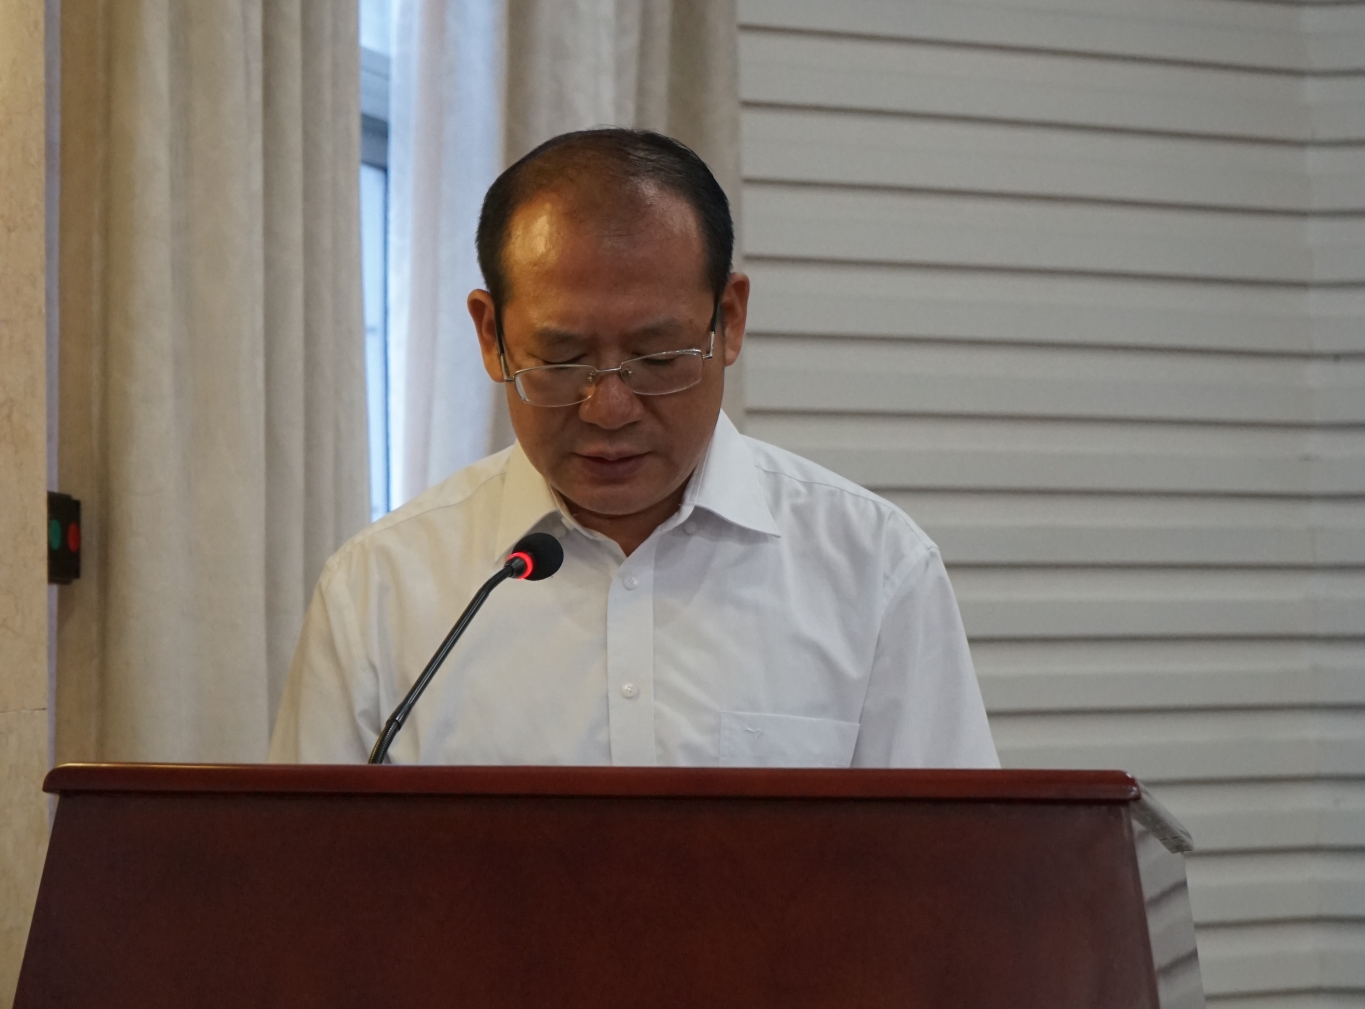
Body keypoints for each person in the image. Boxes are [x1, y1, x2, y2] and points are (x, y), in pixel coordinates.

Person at [269, 129, 997, 768]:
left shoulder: (873, 570)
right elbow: (305, 868)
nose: (609, 409)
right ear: (491, 335)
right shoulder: (378, 590)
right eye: (562, 360)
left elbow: (948, 864)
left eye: (658, 357)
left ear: (729, 319)